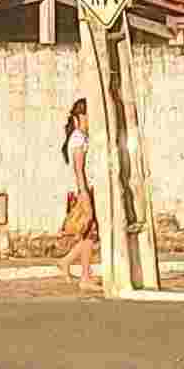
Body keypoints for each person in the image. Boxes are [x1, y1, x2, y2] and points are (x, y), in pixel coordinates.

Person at [57, 98, 100, 289]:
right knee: (90, 234)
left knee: (87, 234)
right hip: (82, 190)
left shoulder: (82, 136)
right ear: (81, 116)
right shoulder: (78, 138)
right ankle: (85, 277)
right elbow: (78, 168)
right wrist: (84, 195)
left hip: (83, 189)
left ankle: (67, 262)